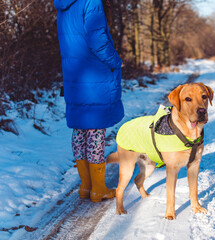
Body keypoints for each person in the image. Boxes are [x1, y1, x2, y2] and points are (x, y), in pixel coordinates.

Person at [54, 0, 124, 202]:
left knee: (80, 131)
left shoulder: (64, 6)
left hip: (75, 75)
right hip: (94, 76)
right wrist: (116, 60)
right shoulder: (90, 1)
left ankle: (86, 186)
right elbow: (97, 40)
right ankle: (98, 189)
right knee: (95, 132)